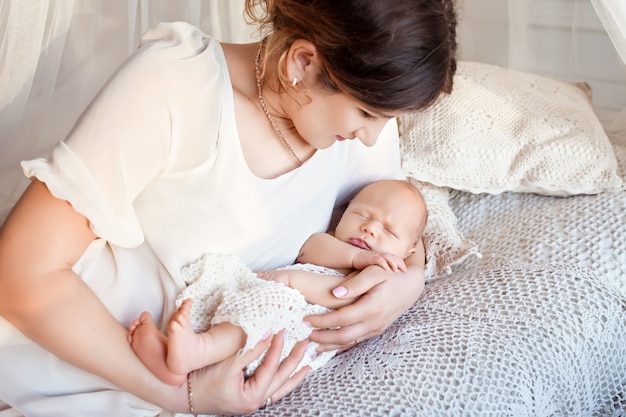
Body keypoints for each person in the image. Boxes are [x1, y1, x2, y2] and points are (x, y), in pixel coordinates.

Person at [0, 0, 457, 415]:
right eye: (367, 115)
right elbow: (21, 272)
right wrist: (182, 396)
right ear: (303, 61)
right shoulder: (176, 84)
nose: (373, 136)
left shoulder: (358, 123)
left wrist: (406, 285)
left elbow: (401, 219)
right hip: (67, 367)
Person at [128, 179, 428, 386]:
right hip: (266, 298)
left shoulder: (384, 278)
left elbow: (341, 297)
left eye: (388, 231)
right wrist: (356, 258)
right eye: (361, 213)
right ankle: (173, 361)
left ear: (410, 253)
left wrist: (291, 279)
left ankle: (198, 351)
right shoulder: (341, 250)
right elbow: (311, 247)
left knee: (263, 315)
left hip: (299, 327)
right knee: (227, 298)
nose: (370, 228)